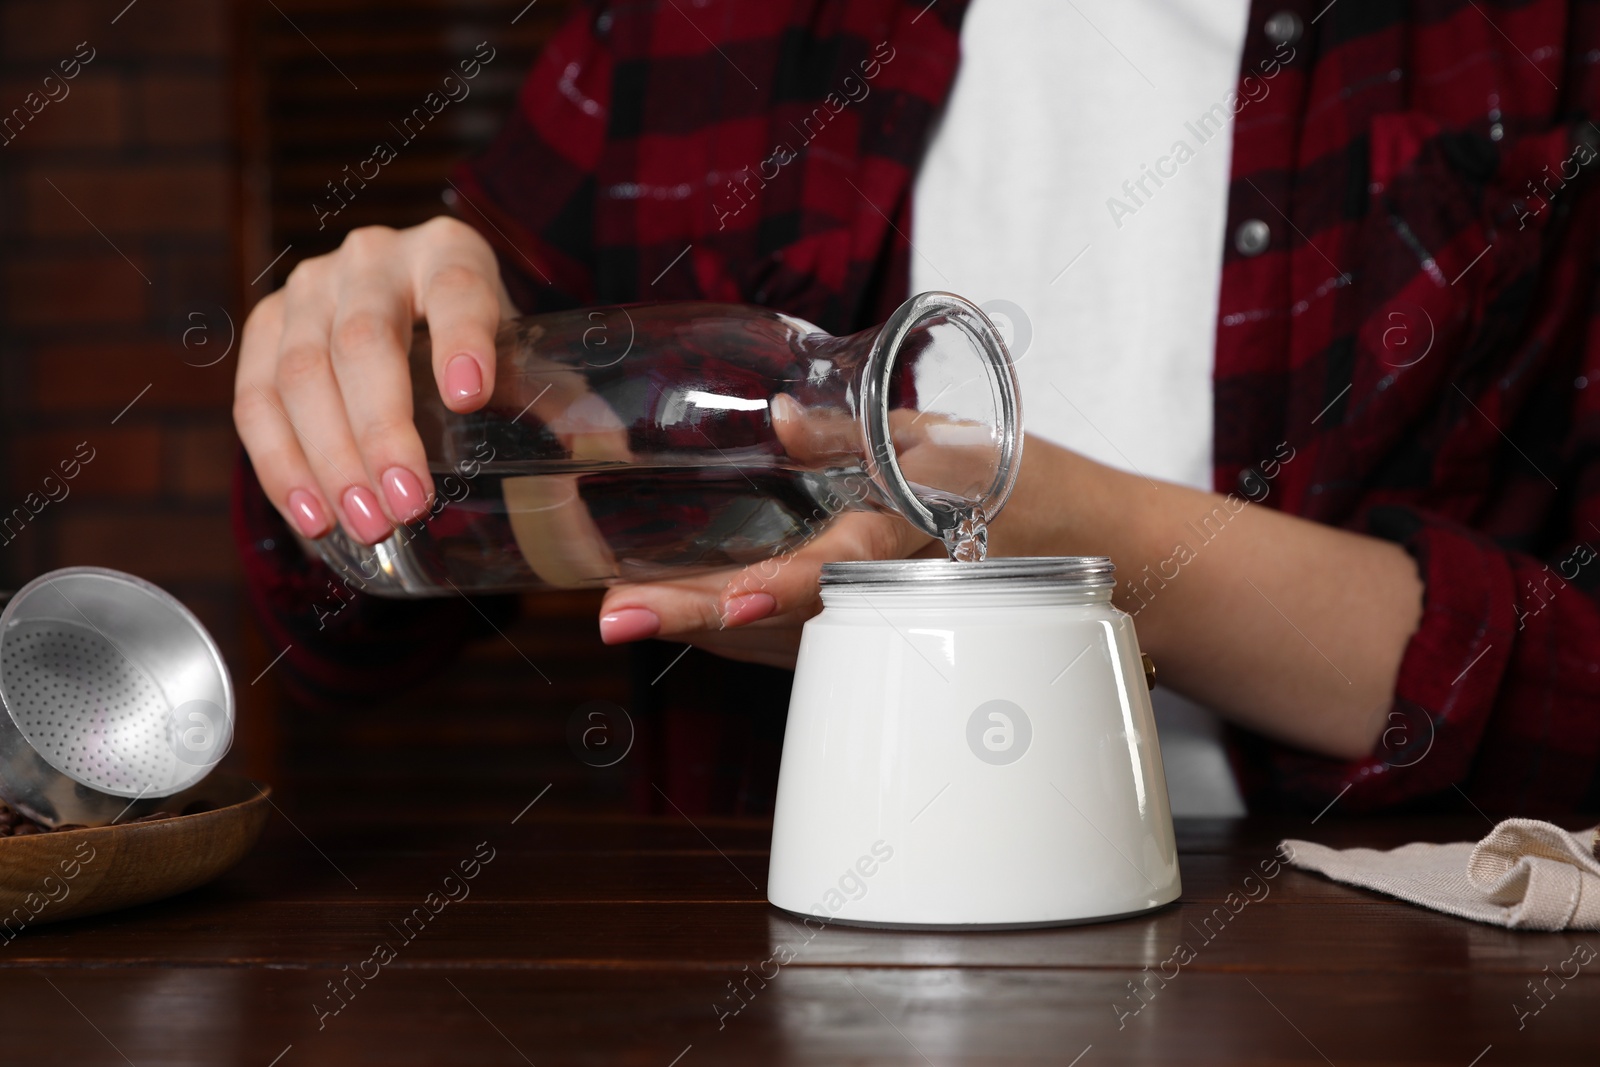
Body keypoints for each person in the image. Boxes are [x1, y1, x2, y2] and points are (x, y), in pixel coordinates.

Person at [233, 0, 1600, 817]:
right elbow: (342, 639)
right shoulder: (711, 27)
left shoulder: (1528, 45)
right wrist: (356, 365)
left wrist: (1077, 557)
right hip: (783, 983)